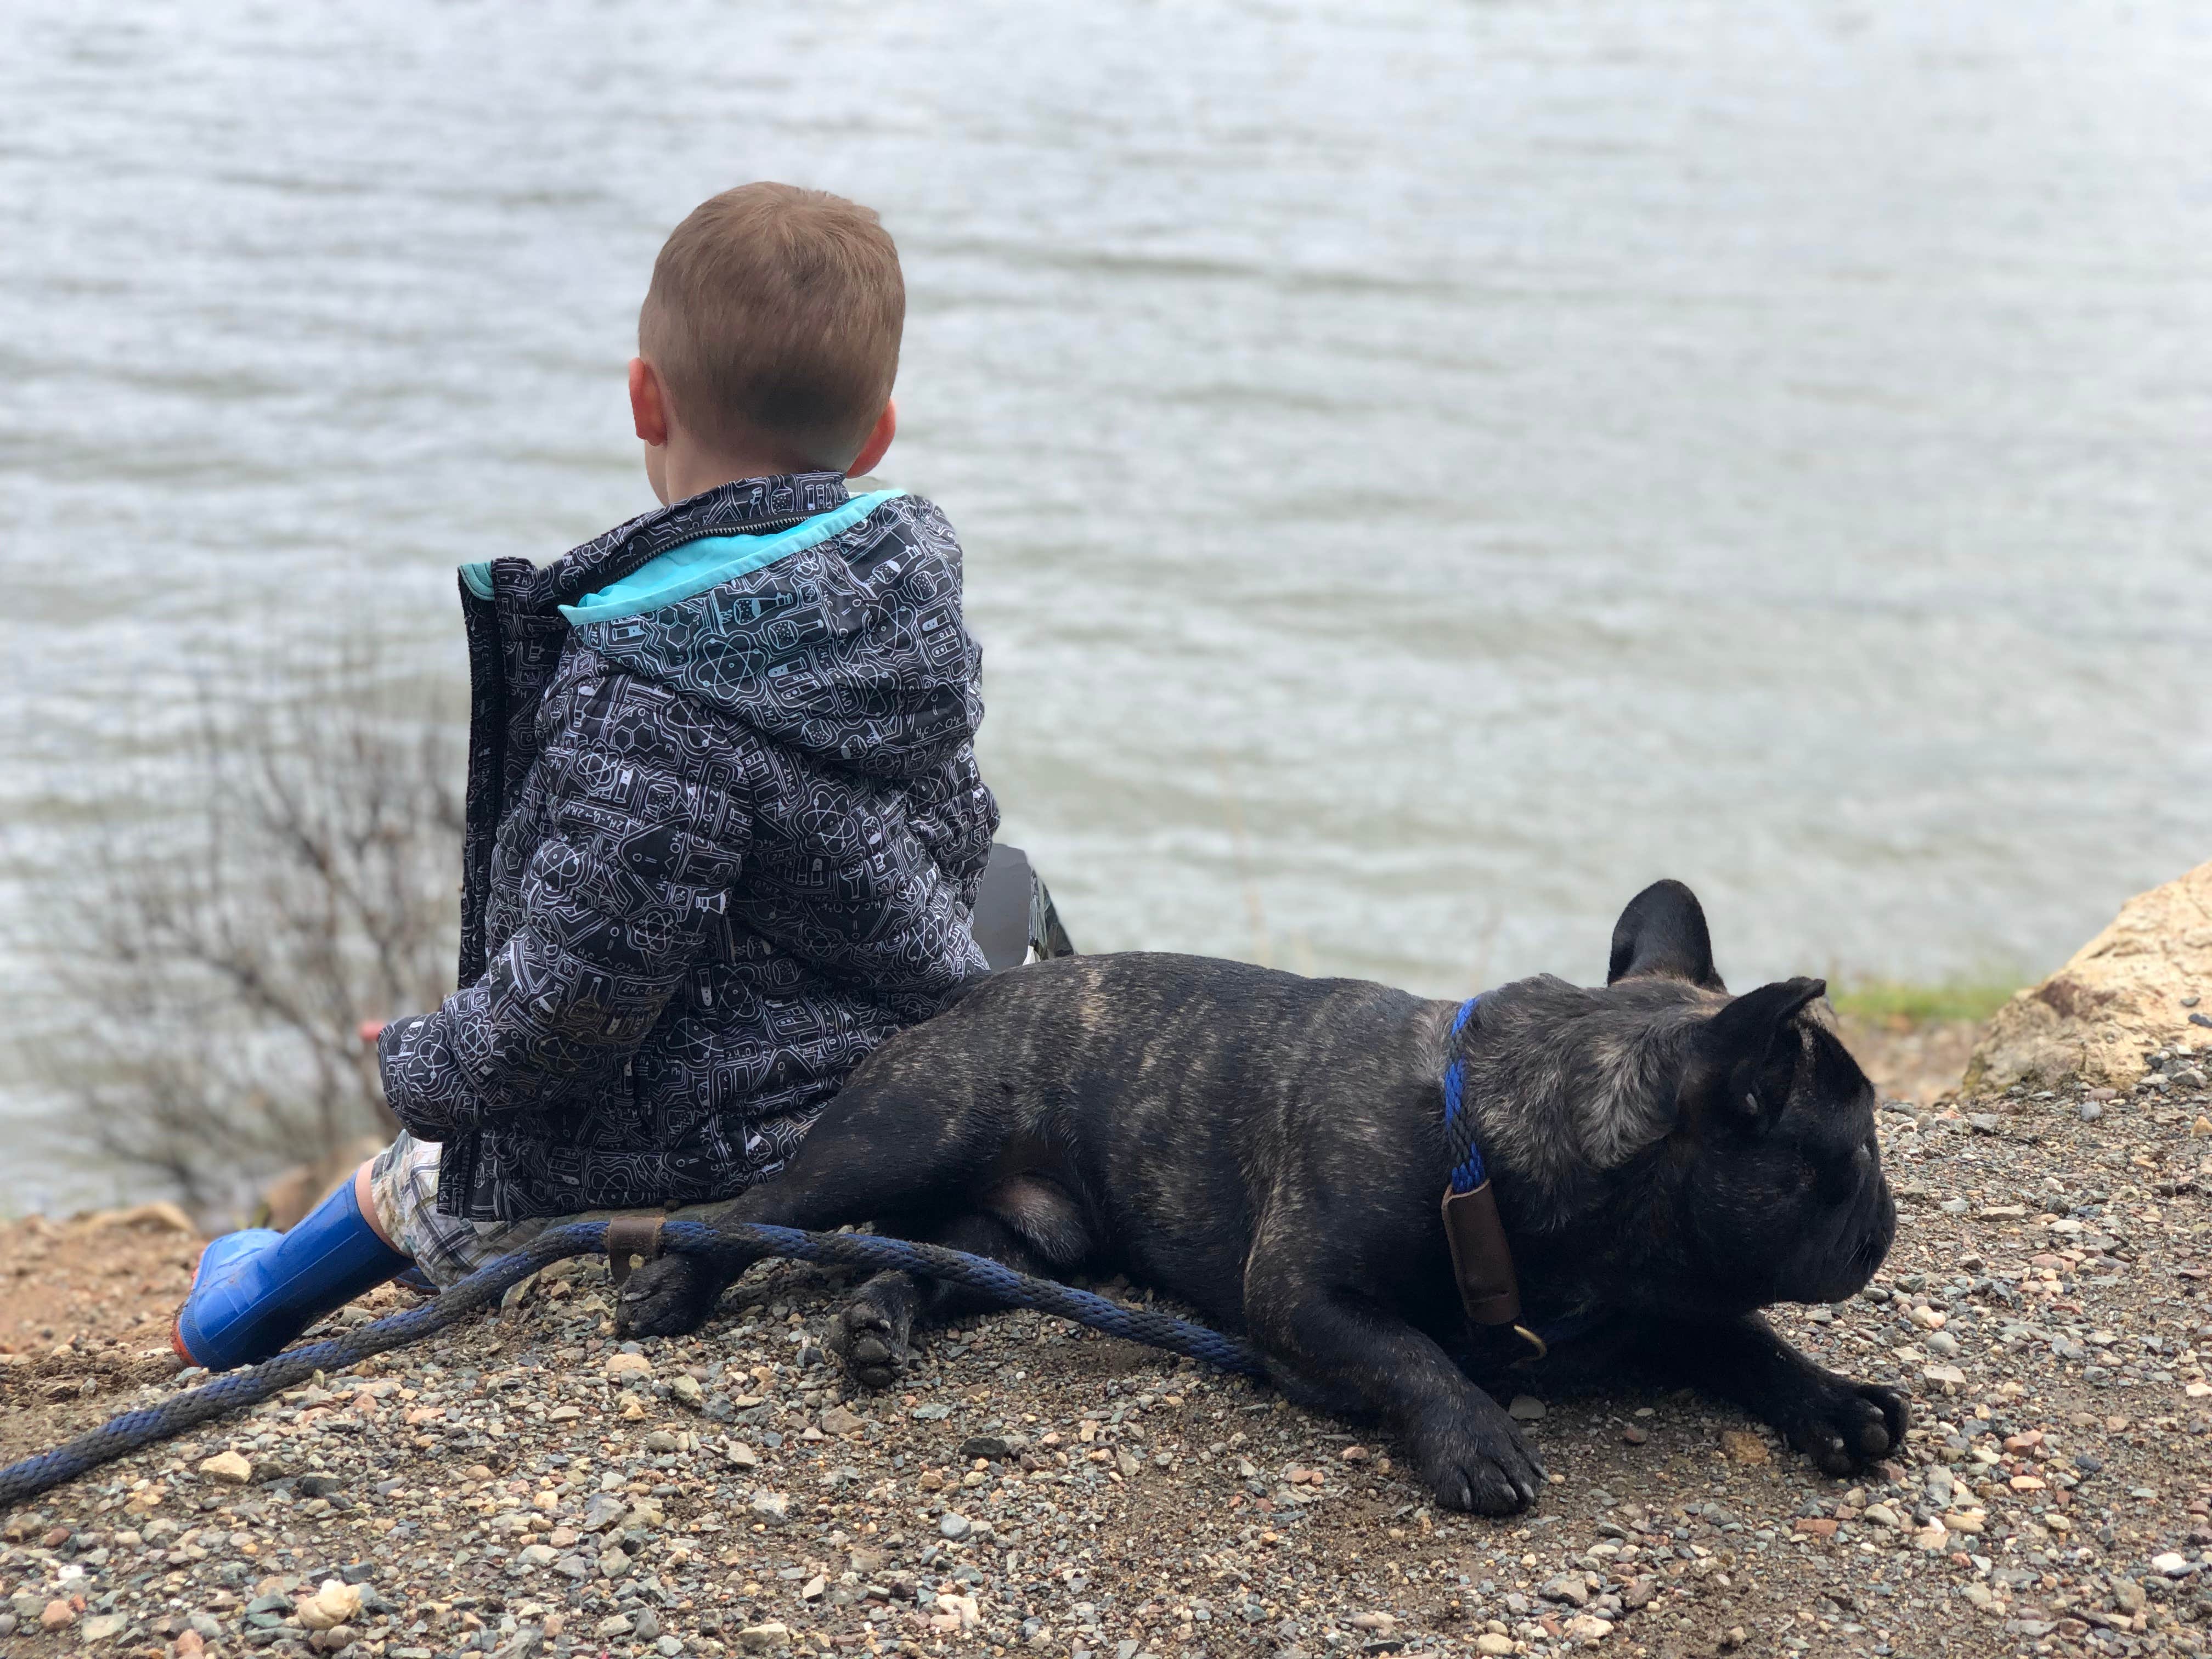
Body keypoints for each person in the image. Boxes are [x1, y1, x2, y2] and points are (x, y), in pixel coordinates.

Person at [173, 183, 1051, 1370]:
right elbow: (954, 840)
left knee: (427, 1175)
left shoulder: (650, 685)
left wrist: (423, 1056)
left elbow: (571, 1011)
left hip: (697, 1168)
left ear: (645, 397)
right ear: (879, 431)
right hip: (892, 1111)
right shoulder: (903, 612)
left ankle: (235, 1311)